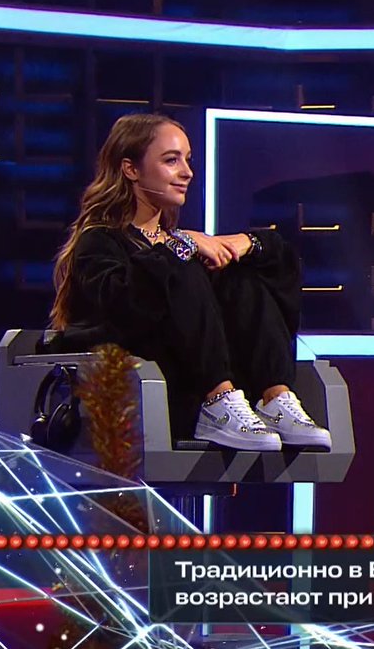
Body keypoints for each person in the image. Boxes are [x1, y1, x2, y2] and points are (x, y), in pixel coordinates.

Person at [49, 113, 331, 452]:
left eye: (187, 160)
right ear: (131, 169)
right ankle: (217, 400)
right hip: (145, 385)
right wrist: (179, 247)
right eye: (171, 160)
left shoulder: (179, 240)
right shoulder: (99, 241)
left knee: (240, 277)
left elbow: (281, 263)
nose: (187, 172)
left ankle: (275, 398)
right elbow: (123, 311)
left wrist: (248, 242)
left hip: (193, 373)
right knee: (187, 269)